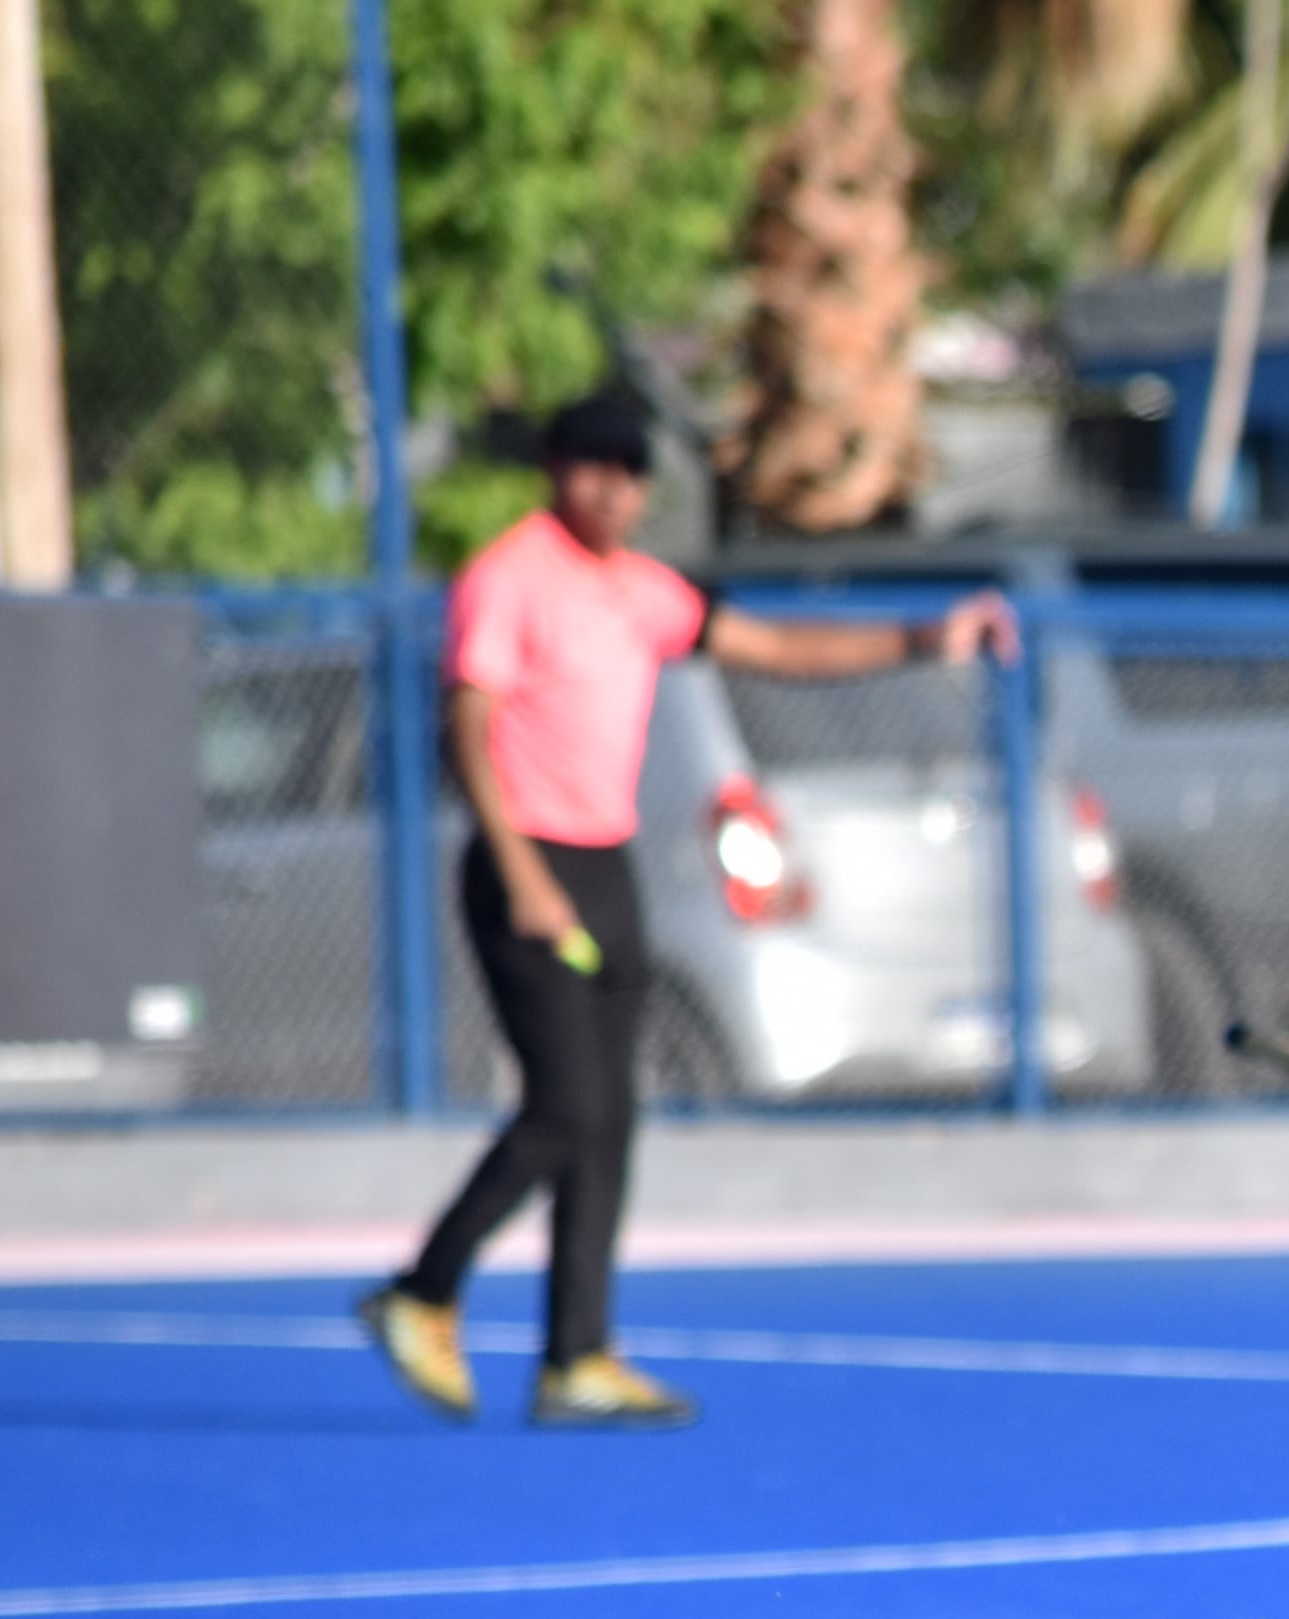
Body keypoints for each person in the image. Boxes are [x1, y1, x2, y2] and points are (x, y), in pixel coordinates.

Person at [356, 394, 1013, 1430]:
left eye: (630, 475)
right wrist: (523, 875)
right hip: (527, 862)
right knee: (564, 1105)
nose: (612, 491)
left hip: (606, 860)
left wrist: (928, 637)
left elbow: (776, 648)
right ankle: (423, 1290)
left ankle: (578, 1355)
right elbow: (468, 726)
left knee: (609, 1117)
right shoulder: (509, 576)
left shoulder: (641, 591)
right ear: (557, 471)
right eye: (592, 469)